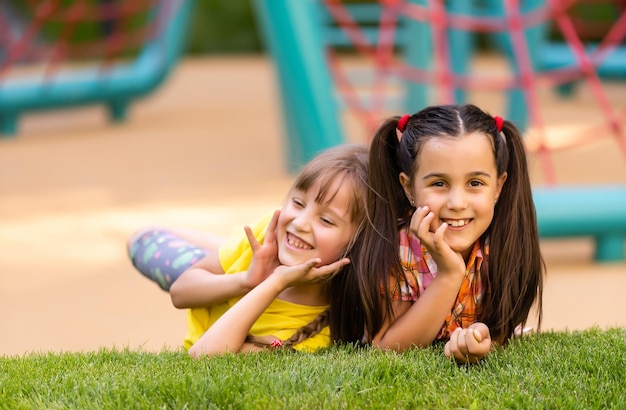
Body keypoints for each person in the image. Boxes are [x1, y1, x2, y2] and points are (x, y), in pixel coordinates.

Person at [127, 144, 368, 356]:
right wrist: (245, 280)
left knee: (142, 241)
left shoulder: (315, 335)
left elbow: (204, 357)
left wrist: (273, 283)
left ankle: (222, 248)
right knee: (141, 237)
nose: (300, 223)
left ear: (355, 244)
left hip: (226, 285)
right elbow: (180, 293)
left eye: (326, 220)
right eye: (297, 203)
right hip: (238, 270)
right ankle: (223, 247)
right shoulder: (270, 233)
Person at [355, 104, 544, 364]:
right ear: (409, 188)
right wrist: (449, 275)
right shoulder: (396, 248)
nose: (457, 202)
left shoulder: (504, 242)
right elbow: (386, 348)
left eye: (475, 183)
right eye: (439, 184)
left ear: (498, 187)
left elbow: (500, 330)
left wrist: (482, 336)